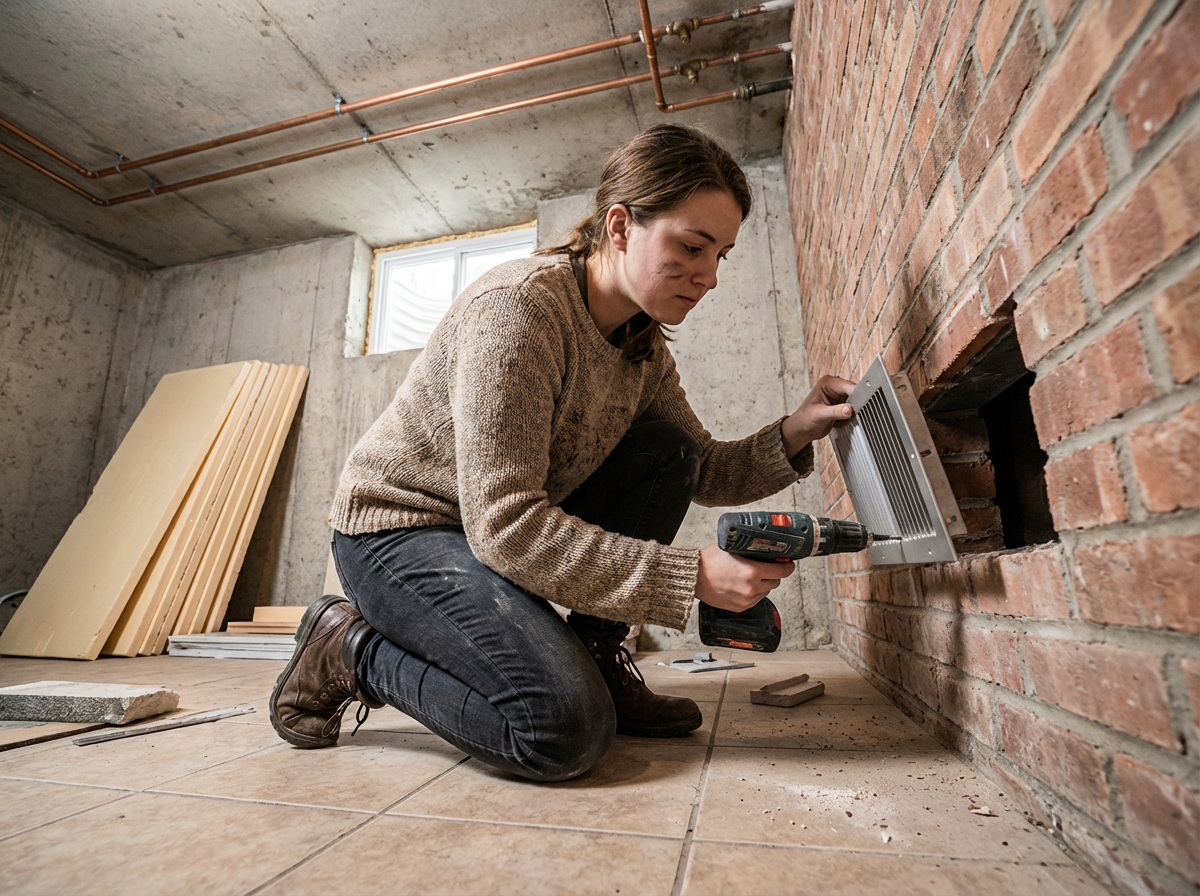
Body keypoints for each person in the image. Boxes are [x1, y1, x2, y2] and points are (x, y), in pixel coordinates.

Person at [269, 123, 854, 782]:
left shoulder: (642, 348)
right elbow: (508, 527)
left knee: (668, 453)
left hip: (484, 531)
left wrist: (798, 427)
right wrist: (689, 576)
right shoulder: (517, 313)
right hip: (398, 534)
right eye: (693, 246)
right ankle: (350, 650)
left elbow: (707, 468)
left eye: (722, 254)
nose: (709, 276)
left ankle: (595, 654)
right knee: (562, 730)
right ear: (621, 226)